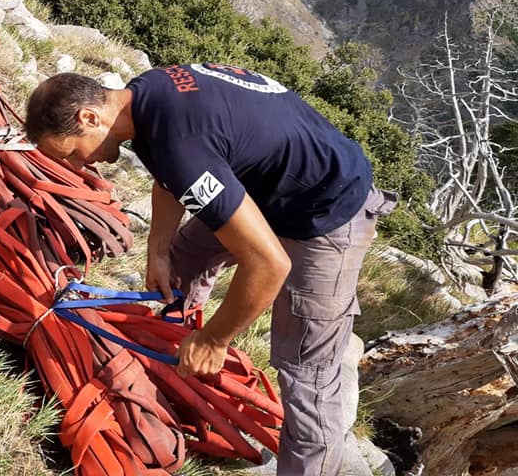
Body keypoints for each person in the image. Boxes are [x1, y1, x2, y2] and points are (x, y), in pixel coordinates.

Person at [25, 64, 396, 476]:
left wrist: (215, 340)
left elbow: (270, 263)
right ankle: (177, 376)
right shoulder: (146, 97)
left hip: (327, 211)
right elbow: (169, 181)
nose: (80, 165)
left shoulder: (179, 142)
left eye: (72, 152)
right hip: (266, 187)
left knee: (306, 372)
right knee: (182, 265)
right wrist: (159, 251)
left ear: (89, 118)